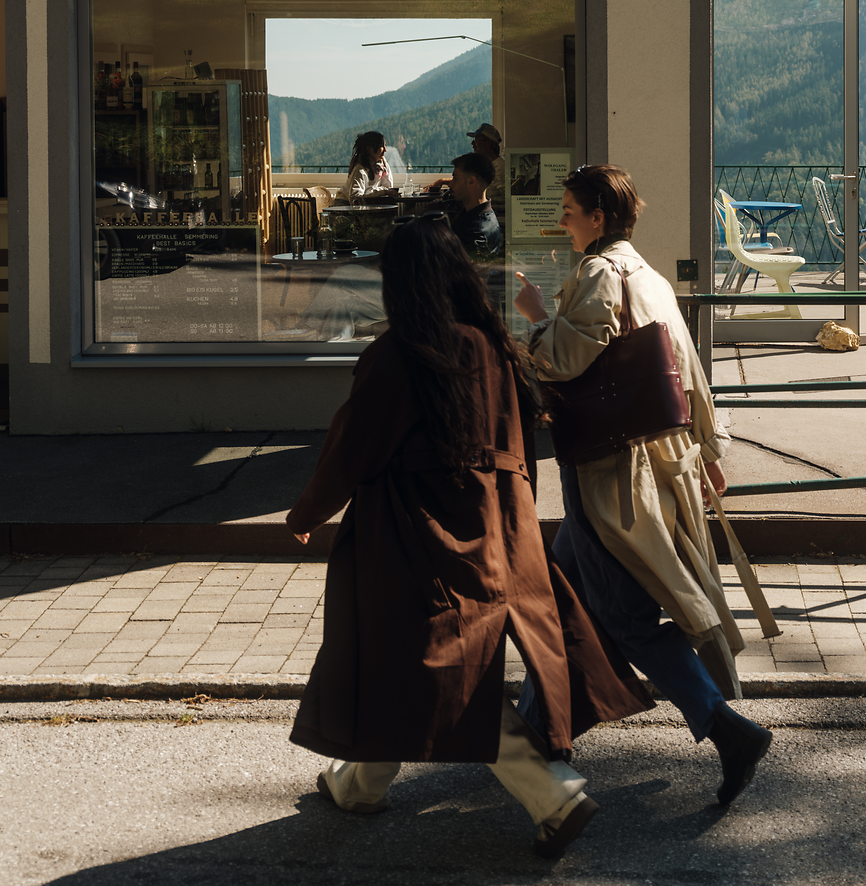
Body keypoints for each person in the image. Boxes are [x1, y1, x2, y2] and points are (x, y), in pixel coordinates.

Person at [285, 216, 651, 859]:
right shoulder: (497, 351)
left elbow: (353, 449)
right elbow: (520, 451)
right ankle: (359, 783)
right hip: (502, 528)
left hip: (420, 535)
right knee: (421, 661)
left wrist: (306, 514)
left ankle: (551, 793)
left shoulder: (396, 357)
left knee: (439, 663)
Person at [512, 164, 774, 810]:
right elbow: (688, 366)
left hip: (609, 479)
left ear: (599, 216)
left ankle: (726, 727)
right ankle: (540, 730)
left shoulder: (601, 275)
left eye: (572, 209)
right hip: (649, 466)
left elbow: (562, 359)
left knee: (623, 617)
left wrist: (537, 317)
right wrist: (710, 450)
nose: (564, 219)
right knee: (559, 600)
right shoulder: (648, 276)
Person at [447, 151, 503, 262]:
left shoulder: (477, 234)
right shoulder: (473, 214)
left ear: (471, 181)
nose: (450, 184)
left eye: (455, 178)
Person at [344, 131, 394, 199]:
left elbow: (388, 187)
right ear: (369, 149)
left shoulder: (383, 165)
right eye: (381, 146)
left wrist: (382, 192)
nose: (385, 150)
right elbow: (355, 197)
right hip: (345, 205)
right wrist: (382, 192)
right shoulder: (360, 169)